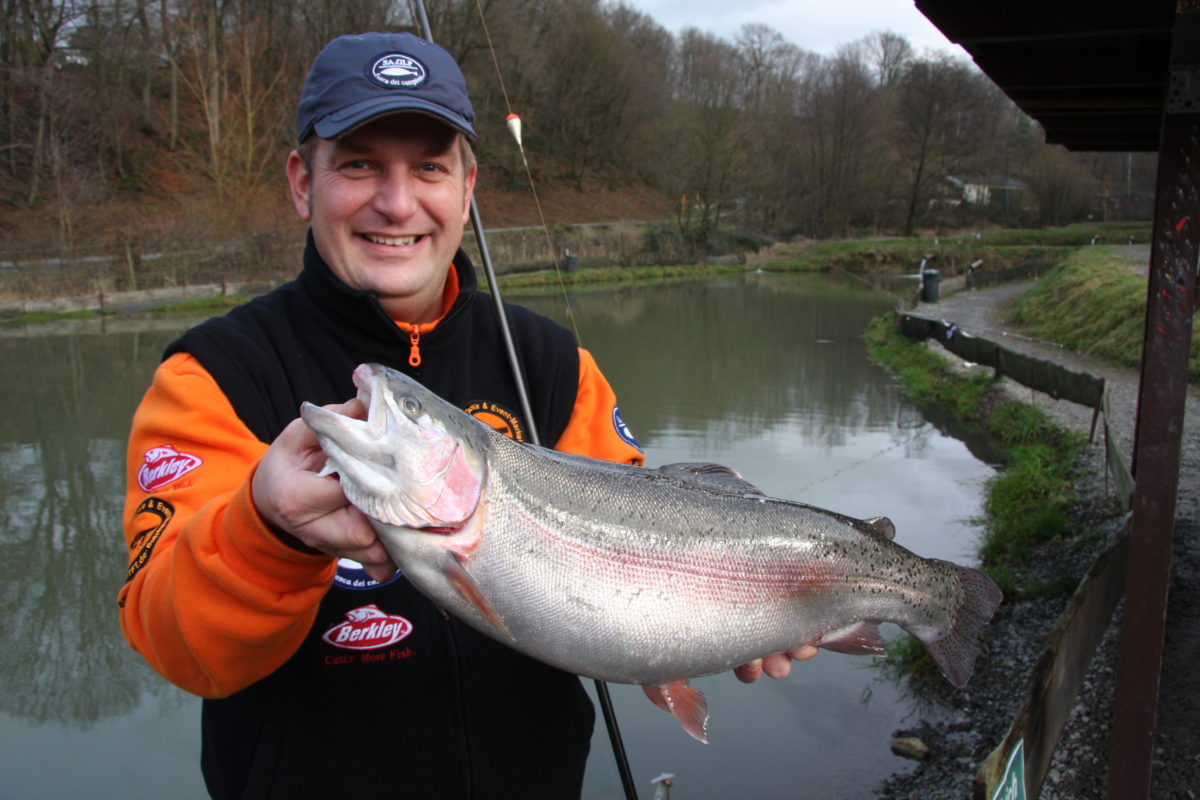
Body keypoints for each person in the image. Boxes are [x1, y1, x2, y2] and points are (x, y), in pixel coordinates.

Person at [118, 31, 815, 798]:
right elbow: (179, 649)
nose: (396, 201)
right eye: (358, 164)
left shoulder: (555, 364)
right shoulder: (212, 375)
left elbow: (652, 555)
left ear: (467, 185)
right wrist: (267, 530)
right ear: (300, 181)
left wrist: (740, 611)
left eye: (428, 168)